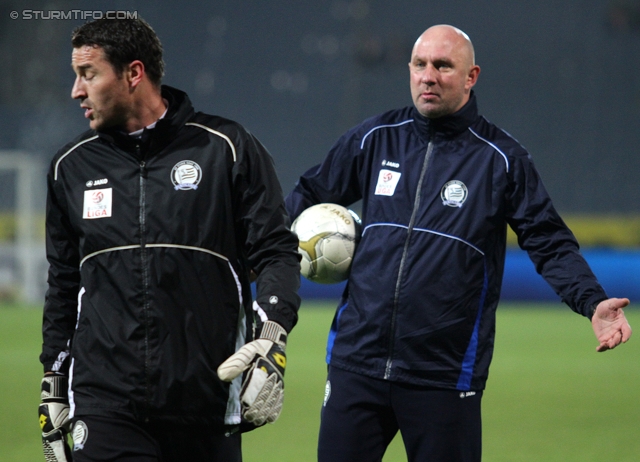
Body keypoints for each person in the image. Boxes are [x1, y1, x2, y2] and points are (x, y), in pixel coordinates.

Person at [285, 24, 632, 462]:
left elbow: (549, 242)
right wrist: (258, 250)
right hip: (357, 362)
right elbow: (307, 196)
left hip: (444, 374)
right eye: (419, 65)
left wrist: (591, 301)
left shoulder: (501, 160)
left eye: (443, 66)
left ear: (471, 77)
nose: (428, 76)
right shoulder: (375, 138)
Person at [38, 17, 300, 462]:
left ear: (133, 73)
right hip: (105, 403)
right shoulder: (70, 167)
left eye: (88, 74)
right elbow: (65, 284)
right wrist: (52, 383)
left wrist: (272, 336)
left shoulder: (226, 148)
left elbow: (276, 251)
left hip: (205, 398)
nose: (76, 91)